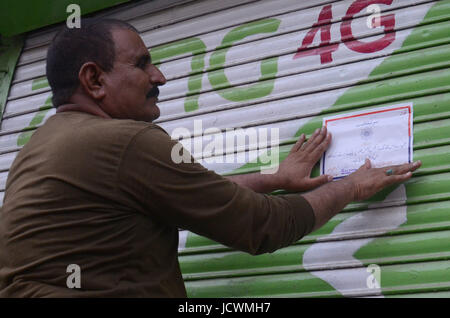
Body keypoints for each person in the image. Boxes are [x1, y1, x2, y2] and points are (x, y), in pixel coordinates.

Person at [0, 19, 421, 297]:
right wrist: (350, 186)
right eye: (143, 63)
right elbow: (264, 226)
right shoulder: (125, 141)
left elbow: (184, 198)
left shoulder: (38, 149)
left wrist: (275, 175)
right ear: (94, 79)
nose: (159, 76)